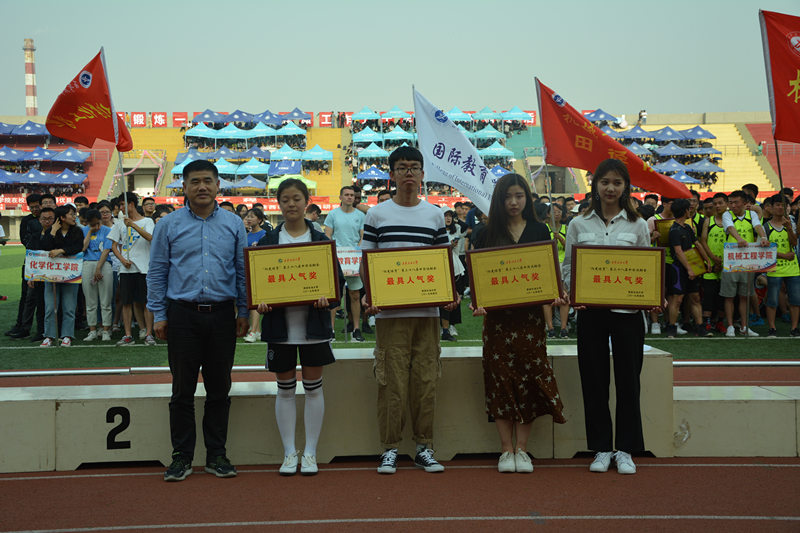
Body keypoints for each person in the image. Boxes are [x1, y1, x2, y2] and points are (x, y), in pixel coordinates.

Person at [147, 159, 249, 482]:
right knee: (182, 390)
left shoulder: (234, 224)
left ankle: (217, 454)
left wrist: (244, 311)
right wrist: (159, 315)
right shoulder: (168, 225)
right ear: (184, 187)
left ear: (218, 185)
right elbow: (157, 271)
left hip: (222, 315)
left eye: (207, 180)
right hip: (182, 315)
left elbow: (242, 271)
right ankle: (182, 456)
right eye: (195, 181)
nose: (202, 187)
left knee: (220, 388)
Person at [360, 146, 458, 475]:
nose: (409, 173)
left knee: (426, 381)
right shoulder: (377, 215)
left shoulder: (434, 215)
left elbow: (443, 261)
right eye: (402, 168)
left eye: (414, 167)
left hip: (427, 314)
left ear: (422, 174)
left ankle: (424, 447)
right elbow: (367, 261)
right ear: (392, 175)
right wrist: (371, 294)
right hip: (390, 315)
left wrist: (448, 295)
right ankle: (389, 448)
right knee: (391, 383)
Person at [561, 159, 653, 475]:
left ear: (625, 186)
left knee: (629, 381)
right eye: (605, 182)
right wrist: (575, 292)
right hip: (591, 314)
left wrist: (651, 296)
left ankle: (625, 448)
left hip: (628, 314)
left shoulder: (637, 225)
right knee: (594, 380)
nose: (610, 188)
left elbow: (647, 267)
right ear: (595, 185)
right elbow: (568, 266)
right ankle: (601, 448)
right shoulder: (578, 223)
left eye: (617, 182)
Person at [470, 173, 566, 473]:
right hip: (497, 321)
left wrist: (554, 292)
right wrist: (478, 301)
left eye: (519, 196)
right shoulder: (485, 233)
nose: (513, 202)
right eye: (507, 197)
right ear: (498, 201)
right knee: (500, 379)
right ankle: (506, 449)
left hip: (530, 320)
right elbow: (478, 278)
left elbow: (548, 272)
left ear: (528, 198)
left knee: (529, 378)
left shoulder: (539, 230)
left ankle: (522, 449)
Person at [256, 178, 340, 476]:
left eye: (296, 199)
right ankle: (289, 452)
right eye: (285, 199)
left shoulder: (320, 240)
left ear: (307, 202)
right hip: (280, 328)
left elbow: (337, 282)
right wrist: (260, 301)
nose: (291, 204)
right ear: (278, 203)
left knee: (314, 390)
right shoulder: (267, 242)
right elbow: (257, 283)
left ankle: (311, 453)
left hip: (313, 328)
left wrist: (328, 297)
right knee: (285, 390)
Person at [721, 190, 770, 337]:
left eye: (736, 202)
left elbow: (758, 226)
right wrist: (739, 239)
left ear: (744, 203)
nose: (732, 205)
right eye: (730, 202)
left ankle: (744, 326)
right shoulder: (727, 215)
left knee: (744, 296)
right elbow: (730, 228)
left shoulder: (751, 214)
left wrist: (763, 237)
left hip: (747, 260)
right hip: (731, 259)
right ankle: (730, 326)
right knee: (729, 296)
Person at [109, 193, 156, 346]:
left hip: (144, 268)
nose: (121, 208)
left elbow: (150, 237)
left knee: (146, 302)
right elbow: (114, 246)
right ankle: (128, 335)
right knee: (126, 302)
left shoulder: (147, 221)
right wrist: (122, 260)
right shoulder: (119, 223)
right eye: (119, 205)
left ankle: (149, 334)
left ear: (131, 204)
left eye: (123, 204)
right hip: (126, 269)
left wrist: (133, 225)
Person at [324, 186, 366, 342]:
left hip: (354, 259)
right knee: (335, 296)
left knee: (355, 295)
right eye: (347, 195)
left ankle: (356, 329)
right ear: (340, 197)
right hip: (337, 258)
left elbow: (362, 236)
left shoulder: (360, 215)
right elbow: (328, 235)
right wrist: (335, 253)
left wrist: (356, 251)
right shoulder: (333, 214)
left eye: (352, 195)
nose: (349, 197)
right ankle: (331, 330)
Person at [664, 199, 711, 337]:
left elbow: (698, 244)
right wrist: (689, 269)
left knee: (695, 297)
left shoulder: (687, 228)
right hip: (679, 269)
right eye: (689, 209)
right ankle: (671, 327)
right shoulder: (674, 230)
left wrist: (707, 260)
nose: (690, 211)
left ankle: (700, 327)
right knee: (677, 299)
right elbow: (678, 252)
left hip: (691, 266)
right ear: (685, 211)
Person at [39, 206, 84, 347]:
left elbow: (78, 247)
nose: (74, 217)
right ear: (62, 218)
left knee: (69, 307)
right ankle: (49, 336)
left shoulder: (77, 231)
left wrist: (61, 250)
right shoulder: (51, 231)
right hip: (51, 275)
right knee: (50, 307)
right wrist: (52, 231)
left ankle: (67, 335)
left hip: (70, 275)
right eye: (71, 214)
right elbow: (44, 246)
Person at [763, 194, 800, 337]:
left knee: (795, 300)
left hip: (793, 268)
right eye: (777, 205)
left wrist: (789, 228)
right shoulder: (766, 226)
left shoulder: (791, 223)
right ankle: (772, 328)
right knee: (772, 300)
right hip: (774, 268)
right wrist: (784, 256)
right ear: (771, 207)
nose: (781, 208)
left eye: (784, 205)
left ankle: (794, 328)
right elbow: (765, 249)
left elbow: (794, 243)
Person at [7, 194, 41, 338]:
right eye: (32, 207)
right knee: (26, 296)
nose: (35, 209)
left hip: (47, 264)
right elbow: (24, 240)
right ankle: (21, 325)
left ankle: (42, 329)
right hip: (31, 262)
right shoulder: (27, 220)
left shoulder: (49, 218)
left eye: (37, 206)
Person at [81, 209, 114, 342]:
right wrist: (90, 232)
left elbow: (106, 250)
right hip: (87, 263)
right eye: (93, 224)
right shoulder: (83, 230)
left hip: (104, 264)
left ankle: (106, 330)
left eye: (98, 223)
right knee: (90, 301)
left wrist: (98, 268)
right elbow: (83, 248)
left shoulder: (107, 230)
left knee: (106, 300)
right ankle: (92, 330)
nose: (97, 226)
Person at [699, 193, 728, 335]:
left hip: (727, 264)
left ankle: (720, 322)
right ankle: (707, 322)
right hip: (710, 264)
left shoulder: (732, 221)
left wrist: (722, 262)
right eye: (715, 204)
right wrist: (713, 259)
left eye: (720, 203)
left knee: (723, 296)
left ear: (727, 204)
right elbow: (703, 241)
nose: (717, 206)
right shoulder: (708, 221)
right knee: (709, 294)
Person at [543, 202, 569, 338]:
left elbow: (569, 247)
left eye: (559, 211)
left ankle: (564, 328)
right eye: (553, 211)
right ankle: (550, 328)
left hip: (563, 265)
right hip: (548, 264)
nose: (556, 214)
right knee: (548, 297)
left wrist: (560, 238)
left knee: (564, 297)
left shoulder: (566, 228)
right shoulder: (543, 228)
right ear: (548, 214)